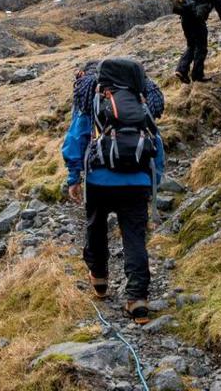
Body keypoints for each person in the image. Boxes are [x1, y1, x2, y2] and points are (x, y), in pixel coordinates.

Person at [63, 57, 165, 322]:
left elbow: (77, 136)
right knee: (134, 237)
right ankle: (138, 300)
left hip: (99, 179)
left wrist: (74, 177)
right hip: (137, 180)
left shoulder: (93, 98)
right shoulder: (141, 100)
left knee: (95, 227)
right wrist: (155, 181)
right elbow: (156, 140)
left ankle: (99, 279)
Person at [175, 0, 221, 83]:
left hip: (184, 19)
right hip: (197, 21)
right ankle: (197, 76)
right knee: (201, 48)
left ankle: (181, 70)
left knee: (191, 45)